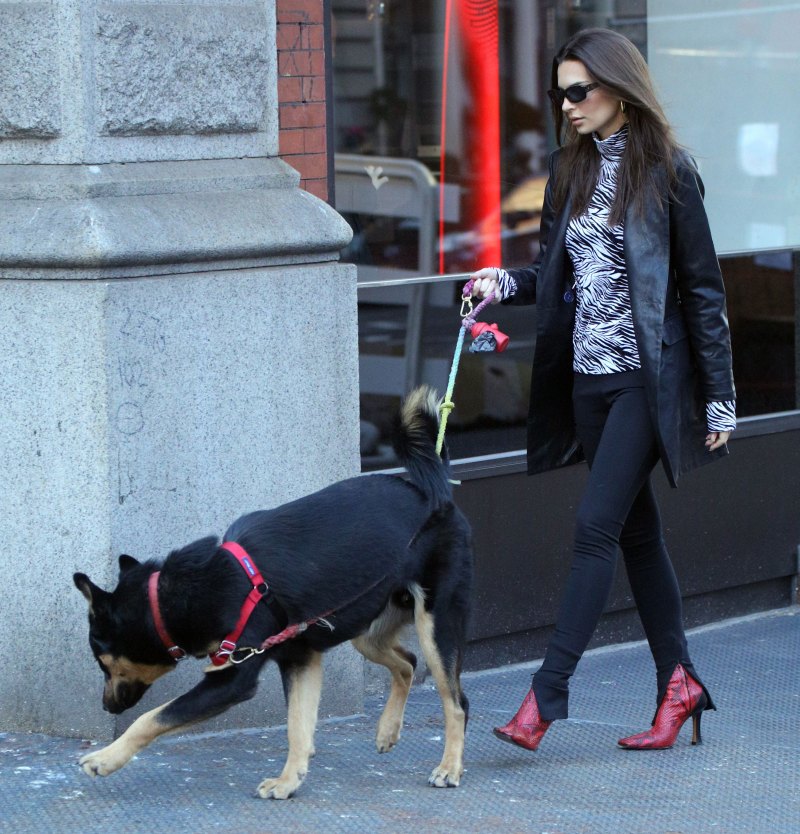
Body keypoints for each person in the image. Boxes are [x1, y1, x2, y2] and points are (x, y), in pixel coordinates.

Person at [469, 28, 735, 752]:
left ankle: (545, 696)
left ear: (619, 88)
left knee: (594, 528)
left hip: (647, 383)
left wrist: (720, 395)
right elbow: (553, 270)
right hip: (587, 383)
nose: (567, 106)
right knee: (637, 536)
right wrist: (504, 281)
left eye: (579, 91)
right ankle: (679, 683)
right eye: (560, 93)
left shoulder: (671, 173)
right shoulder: (570, 170)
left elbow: (703, 291)